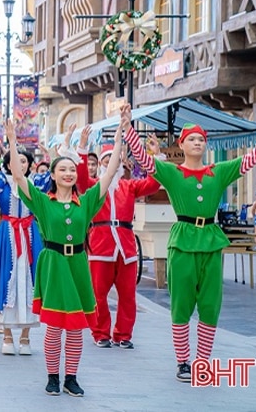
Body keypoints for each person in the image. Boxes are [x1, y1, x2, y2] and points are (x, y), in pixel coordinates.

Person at [122, 102, 256, 383]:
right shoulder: (171, 172)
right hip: (183, 241)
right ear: (182, 144)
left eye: (201, 139)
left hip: (210, 240)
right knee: (181, 304)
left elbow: (250, 159)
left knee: (210, 305)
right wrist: (128, 127)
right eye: (192, 139)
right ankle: (183, 362)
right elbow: (145, 161)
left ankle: (202, 363)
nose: (197, 142)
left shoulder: (218, 172)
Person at [7, 116, 124, 398]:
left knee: (75, 328)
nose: (69, 174)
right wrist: (12, 141)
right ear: (54, 175)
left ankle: (71, 377)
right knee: (56, 326)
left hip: (77, 266)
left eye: (73, 169)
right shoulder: (42, 202)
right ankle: (52, 377)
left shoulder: (86, 201)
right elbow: (19, 177)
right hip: (54, 265)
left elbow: (108, 175)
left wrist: (120, 135)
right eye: (63, 169)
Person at [73, 125, 161, 350]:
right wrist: (82, 148)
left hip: (126, 246)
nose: (109, 164)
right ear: (102, 166)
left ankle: (123, 334)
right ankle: (100, 332)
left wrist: (156, 156)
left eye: (113, 160)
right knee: (98, 294)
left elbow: (153, 184)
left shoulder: (129, 186)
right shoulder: (94, 187)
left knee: (128, 294)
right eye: (105, 160)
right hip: (101, 244)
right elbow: (81, 179)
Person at [0, 119, 42, 356]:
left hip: (31, 236)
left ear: (30, 166)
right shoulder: (1, 186)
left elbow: (59, 177)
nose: (19, 164)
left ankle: (26, 337)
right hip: (7, 237)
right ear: (8, 164)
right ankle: (7, 335)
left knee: (30, 282)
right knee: (6, 280)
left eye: (24, 161)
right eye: (15, 160)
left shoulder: (37, 185)